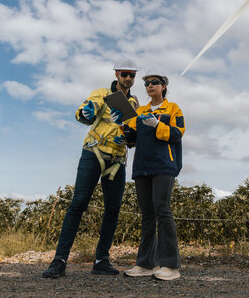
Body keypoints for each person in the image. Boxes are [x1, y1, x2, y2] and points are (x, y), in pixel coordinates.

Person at [42, 57, 139, 278]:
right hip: (93, 153)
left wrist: (128, 132)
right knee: (78, 204)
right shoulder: (101, 93)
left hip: (117, 160)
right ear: (116, 74)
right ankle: (59, 261)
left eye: (132, 75)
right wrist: (86, 112)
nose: (128, 78)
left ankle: (101, 260)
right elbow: (84, 113)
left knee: (112, 211)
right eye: (124, 74)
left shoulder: (134, 104)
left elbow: (133, 139)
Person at [111, 70, 185, 281]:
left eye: (155, 82)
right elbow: (132, 139)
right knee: (147, 216)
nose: (150, 86)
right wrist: (120, 126)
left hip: (164, 166)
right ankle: (145, 264)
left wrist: (158, 124)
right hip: (142, 167)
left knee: (162, 211)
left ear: (163, 86)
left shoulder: (173, 108)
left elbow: (177, 134)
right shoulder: (140, 111)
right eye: (147, 84)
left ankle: (170, 266)